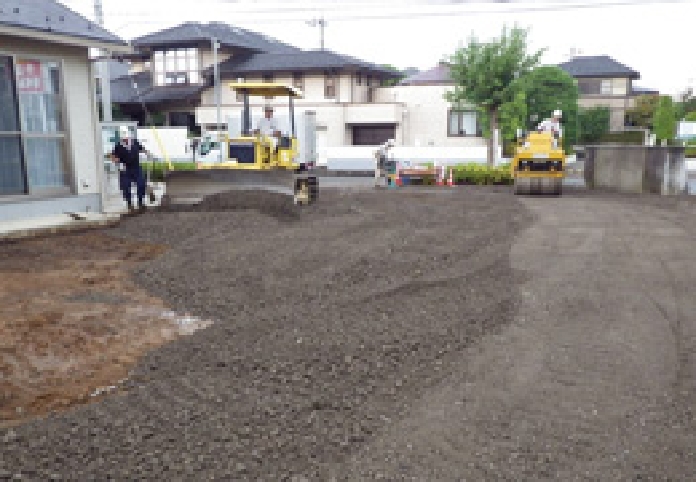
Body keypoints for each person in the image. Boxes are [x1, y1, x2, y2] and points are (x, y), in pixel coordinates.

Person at [110, 126, 151, 212]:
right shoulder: (118, 146)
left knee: (141, 184)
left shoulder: (135, 142)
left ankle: (140, 202)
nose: (125, 140)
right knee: (126, 187)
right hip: (125, 169)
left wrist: (147, 153)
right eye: (123, 138)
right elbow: (113, 155)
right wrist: (115, 160)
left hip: (136, 167)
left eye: (126, 138)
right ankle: (129, 204)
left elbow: (142, 148)